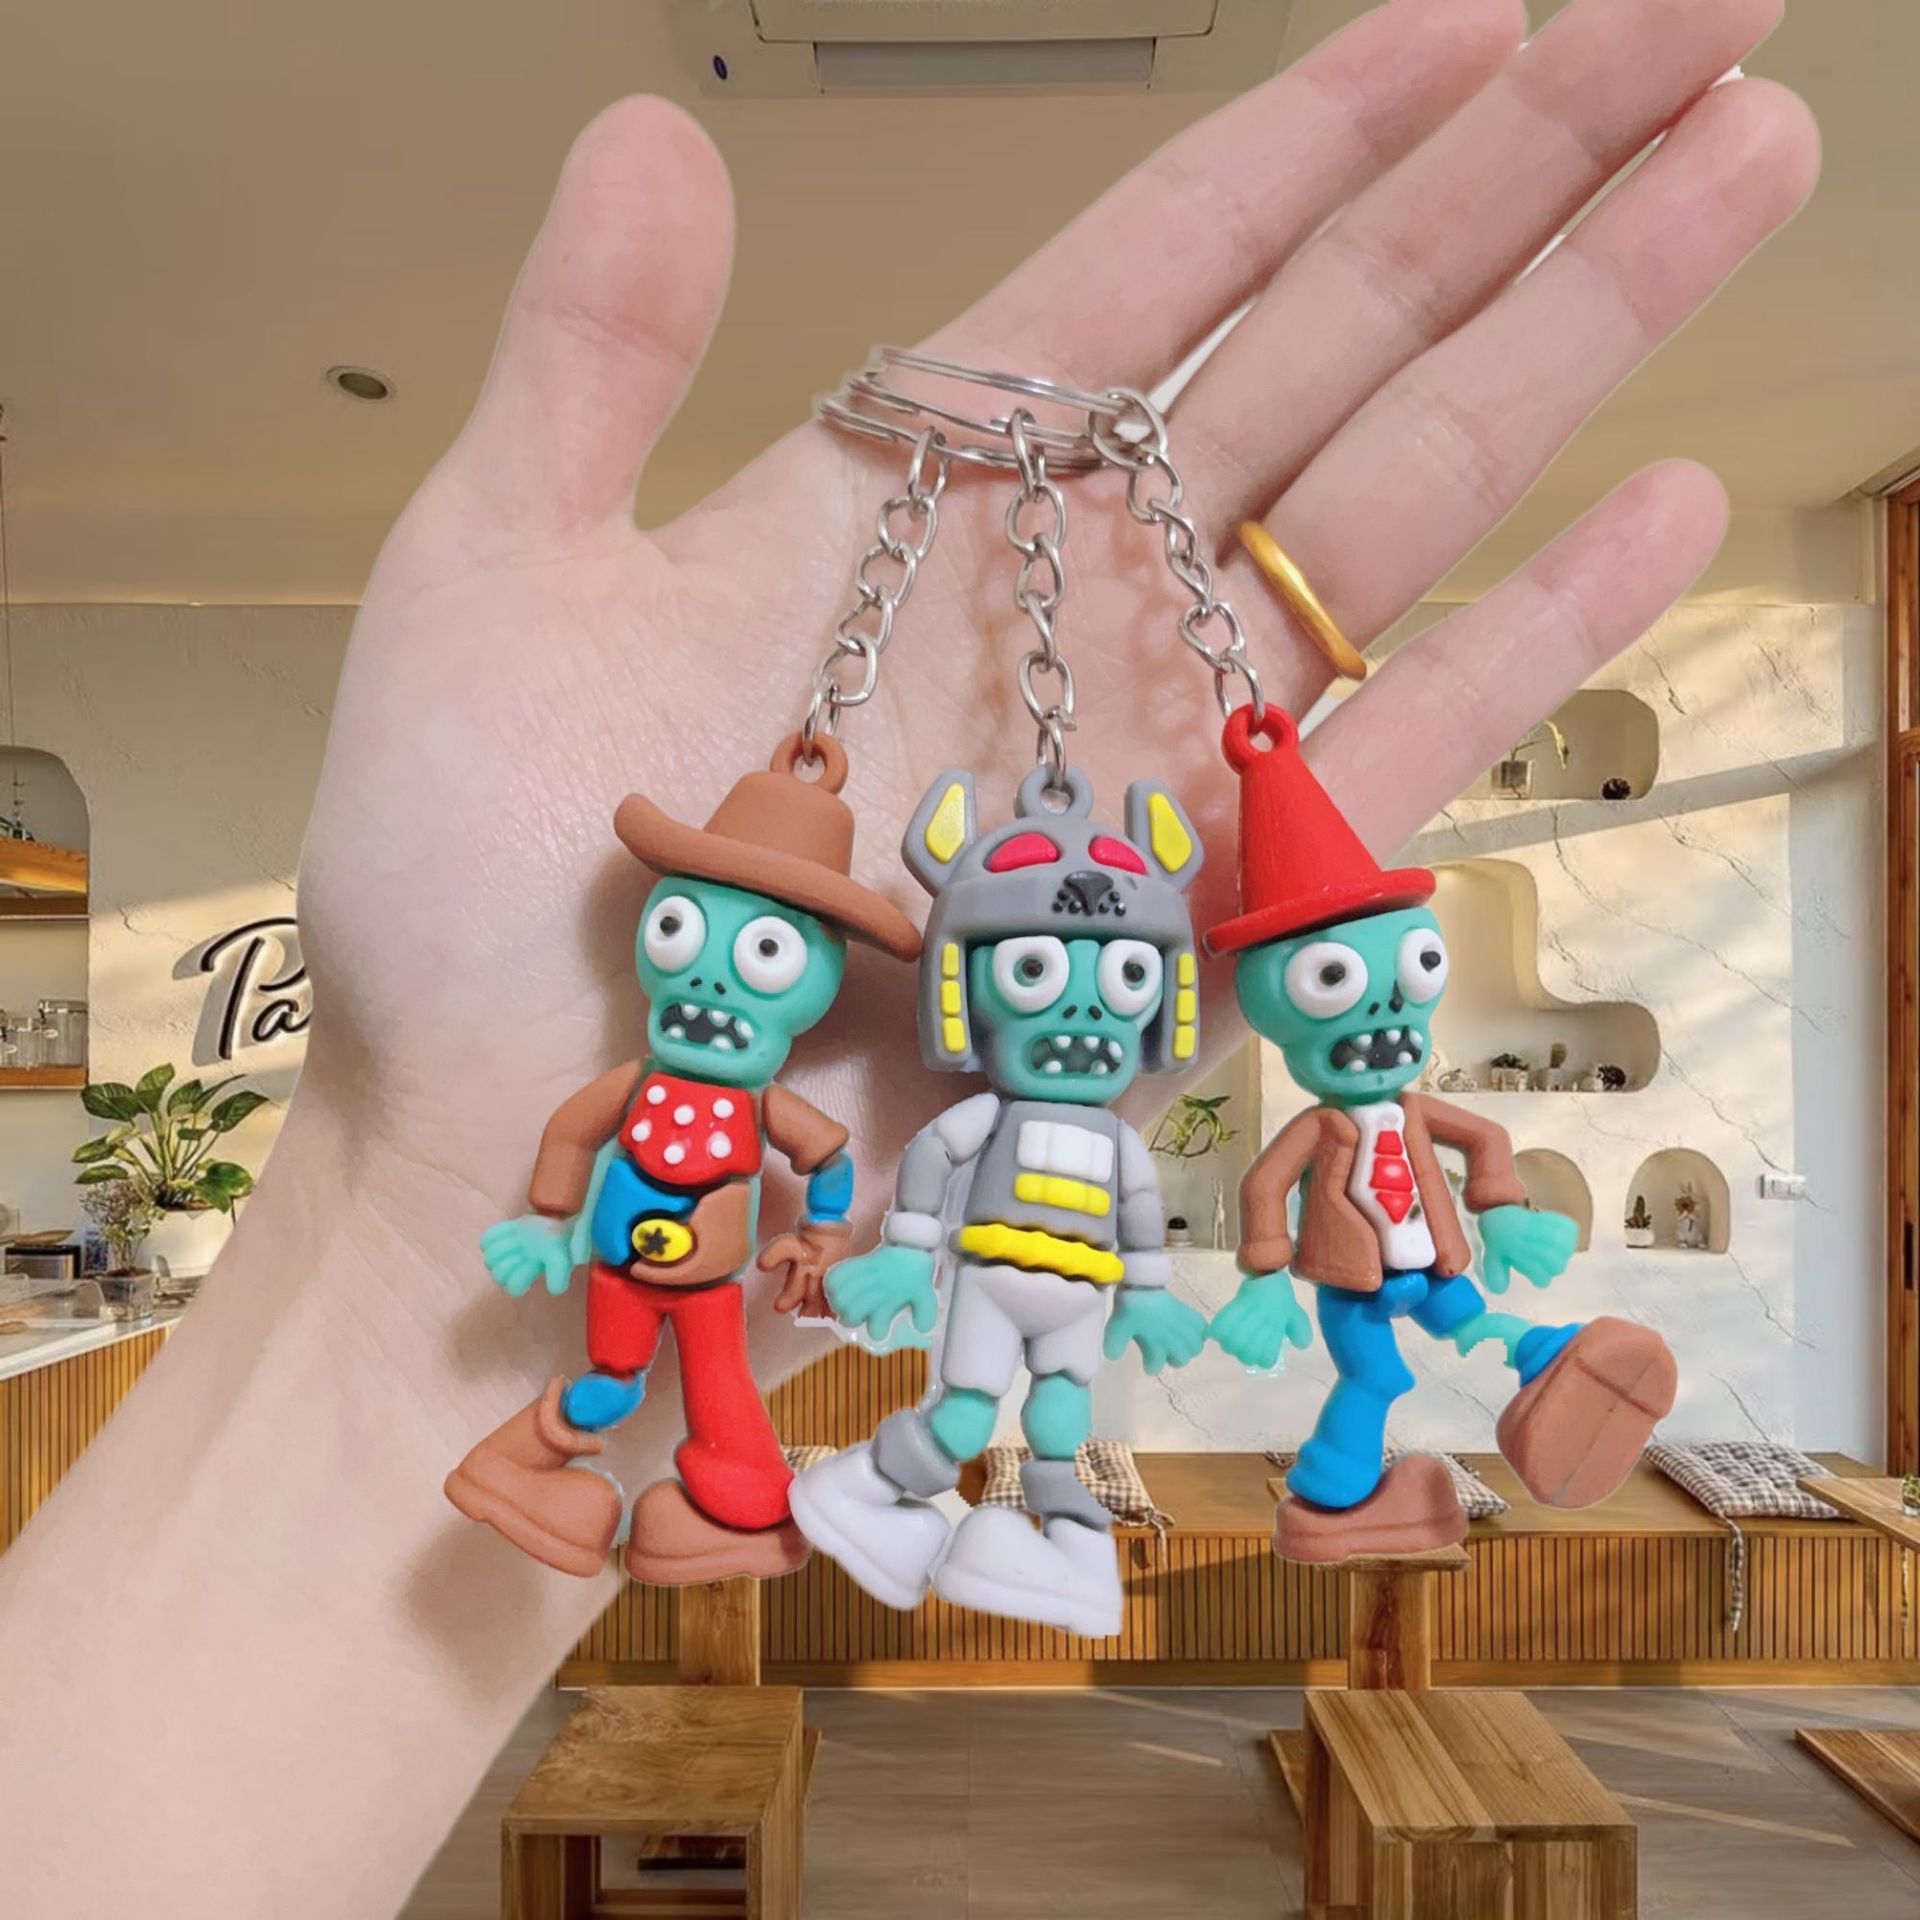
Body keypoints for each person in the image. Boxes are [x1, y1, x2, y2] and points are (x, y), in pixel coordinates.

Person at [0, 0, 1816, 1913]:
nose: (1084, 1012)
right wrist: (705, 1235)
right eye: (696, 932)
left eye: (1117, 987)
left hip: (1028, 1272)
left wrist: (1224, 1282)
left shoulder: (1189, 1098)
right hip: (731, 1261)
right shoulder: (790, 1074)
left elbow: (1155, 1193)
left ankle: (1165, 1475)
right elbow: (841, 1159)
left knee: (1024, 1407)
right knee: (796, 1390)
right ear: (948, 983)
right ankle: (776, 1488)